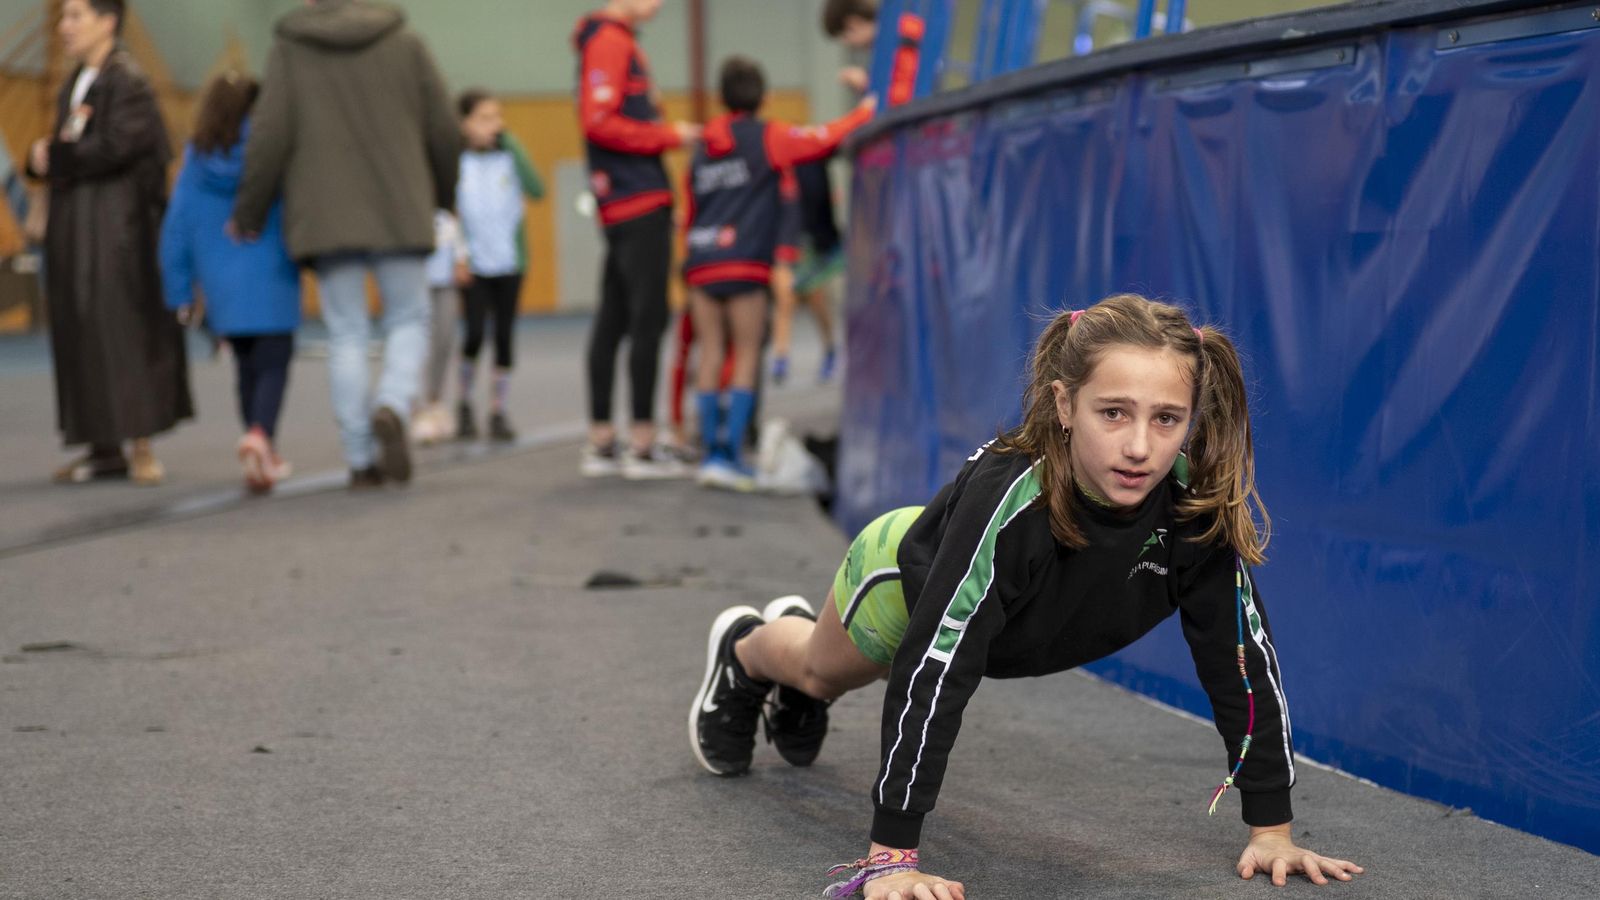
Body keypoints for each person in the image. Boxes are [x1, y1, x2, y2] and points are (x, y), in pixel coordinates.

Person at [689, 294, 1365, 897]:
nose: (1138, 446)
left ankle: (796, 678)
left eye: (1166, 419)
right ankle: (746, 648)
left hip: (1007, 629)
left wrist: (1271, 827)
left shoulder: (1193, 508)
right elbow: (937, 667)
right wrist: (892, 853)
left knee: (825, 675)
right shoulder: (1012, 500)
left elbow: (1240, 659)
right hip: (907, 580)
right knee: (818, 666)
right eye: (1113, 413)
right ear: (1064, 404)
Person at [232, 0, 459, 490]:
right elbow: (444, 128)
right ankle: (394, 404)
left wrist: (250, 210)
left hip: (326, 214)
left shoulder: (289, 49)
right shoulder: (406, 42)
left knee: (347, 332)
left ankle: (360, 457)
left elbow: (269, 135)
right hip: (400, 205)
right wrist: (442, 197)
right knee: (408, 317)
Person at [682, 57, 874, 491]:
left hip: (701, 260)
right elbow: (821, 140)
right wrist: (865, 110)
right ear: (763, 96)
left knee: (711, 352)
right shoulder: (768, 136)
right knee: (747, 353)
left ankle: (709, 452)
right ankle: (730, 455)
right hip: (744, 261)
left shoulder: (703, 146)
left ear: (722, 97)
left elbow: (690, 208)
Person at [27, 0, 192, 486]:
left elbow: (116, 146)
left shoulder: (128, 81)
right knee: (82, 337)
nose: (65, 27)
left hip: (115, 237)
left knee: (123, 336)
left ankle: (140, 443)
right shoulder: (75, 83)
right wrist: (40, 158)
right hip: (76, 233)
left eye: (76, 16)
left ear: (108, 21)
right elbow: (72, 149)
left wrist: (52, 155)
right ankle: (103, 448)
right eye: (63, 17)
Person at [572, 0, 701, 480]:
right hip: (636, 201)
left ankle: (604, 440)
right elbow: (598, 121)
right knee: (645, 320)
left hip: (628, 200)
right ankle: (641, 443)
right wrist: (669, 134)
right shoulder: (609, 41)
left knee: (616, 317)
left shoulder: (612, 42)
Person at [159, 71, 301, 494]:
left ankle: (257, 443)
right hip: (272, 275)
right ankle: (261, 435)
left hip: (222, 287)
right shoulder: (272, 155)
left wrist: (180, 291)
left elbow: (176, 228)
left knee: (245, 365)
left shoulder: (195, 160)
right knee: (274, 363)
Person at [453, 88, 544, 443]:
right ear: (465, 124)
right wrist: (459, 257)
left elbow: (537, 190)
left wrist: (514, 145)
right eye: (485, 118)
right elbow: (450, 214)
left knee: (504, 338)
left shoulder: (510, 158)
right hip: (474, 264)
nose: (495, 125)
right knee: (474, 334)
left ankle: (497, 410)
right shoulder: (458, 162)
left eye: (499, 117)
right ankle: (463, 403)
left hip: (509, 262)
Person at [413, 209, 469, 445]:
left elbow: (456, 227)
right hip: (416, 275)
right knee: (417, 344)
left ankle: (435, 402)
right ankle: (416, 409)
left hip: (445, 277)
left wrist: (461, 258)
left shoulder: (447, 192)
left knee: (444, 341)